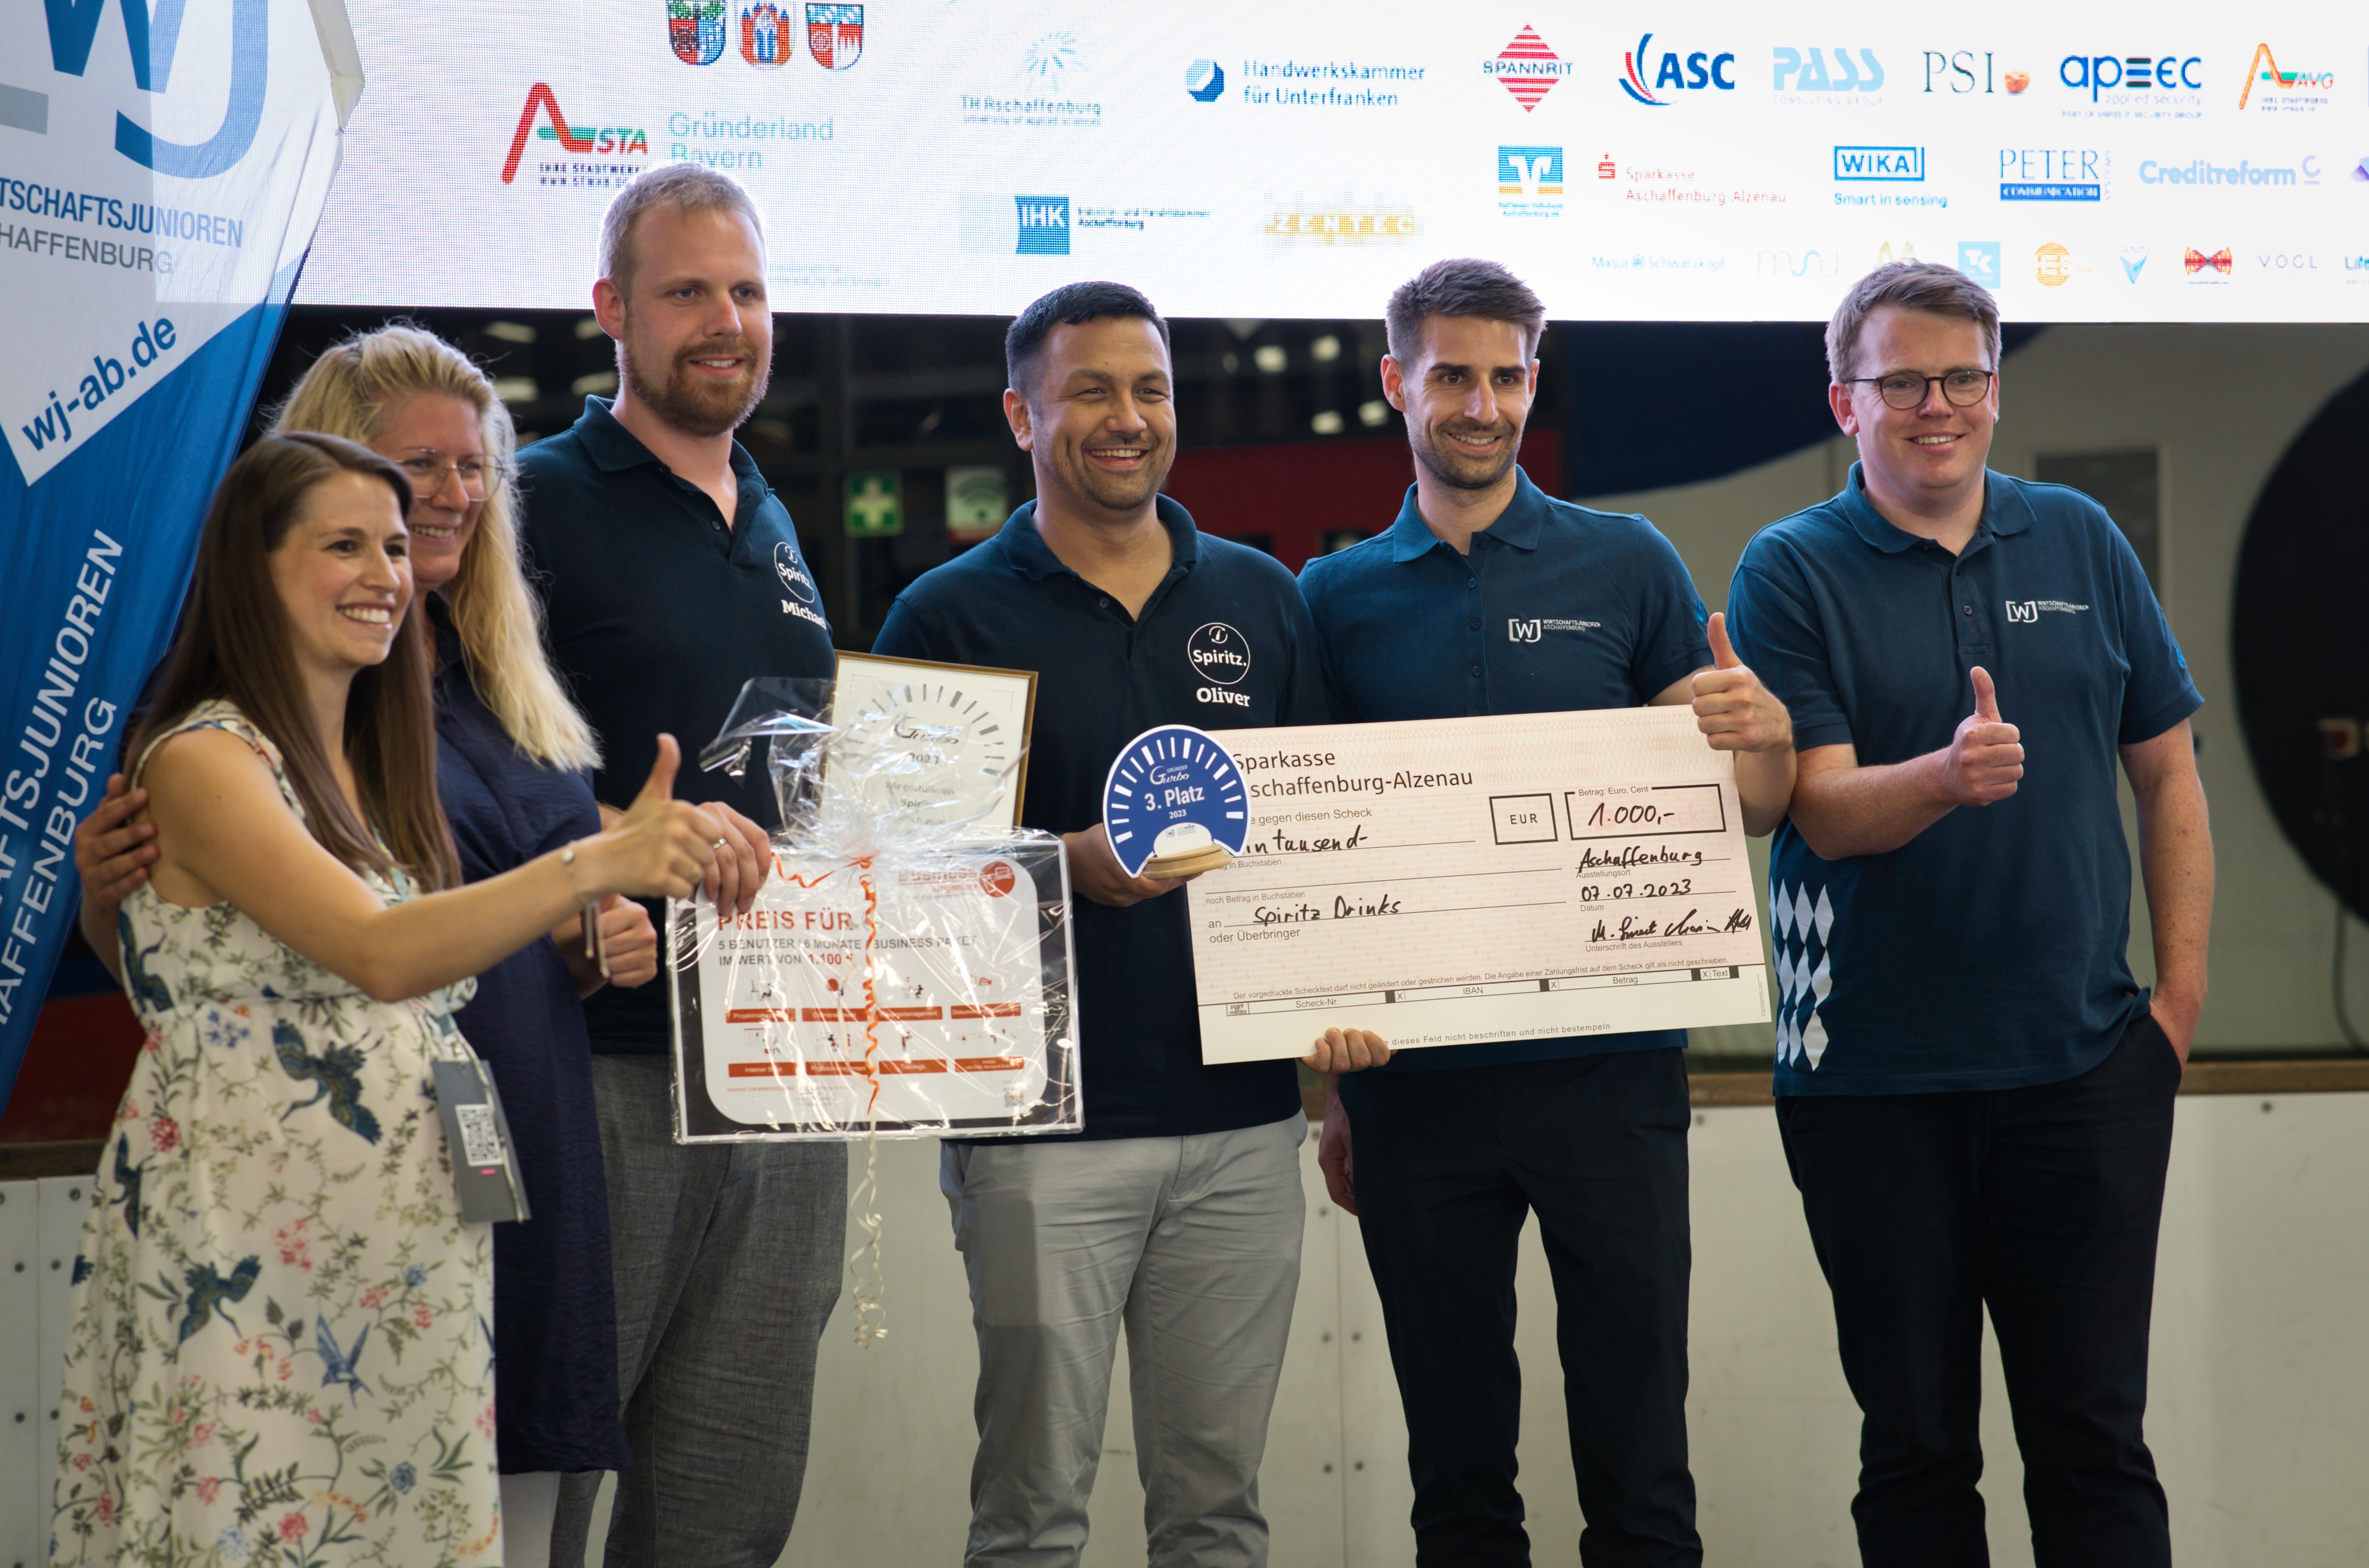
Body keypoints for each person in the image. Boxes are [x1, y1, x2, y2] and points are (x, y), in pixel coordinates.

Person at [49, 433, 721, 1568]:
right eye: (344, 546)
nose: (385, 574)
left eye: (397, 548)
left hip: (402, 1248)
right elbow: (376, 953)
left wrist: (578, 938)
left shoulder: (374, 763)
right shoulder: (204, 755)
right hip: (249, 1238)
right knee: (250, 1522)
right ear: (252, 569)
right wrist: (594, 864)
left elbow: (412, 966)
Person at [871, 280, 1389, 1568]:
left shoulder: (1265, 599)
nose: (1128, 417)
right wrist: (1062, 866)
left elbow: (1324, 836)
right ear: (1021, 414)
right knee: (1032, 1517)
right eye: (1091, 390)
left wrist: (1340, 1083)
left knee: (1217, 1513)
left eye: (1151, 389)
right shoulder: (944, 615)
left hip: (1242, 1131)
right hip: (1037, 1135)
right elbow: (882, 883)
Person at [1297, 258, 1798, 1568]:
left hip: (1611, 1080)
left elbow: (1751, 806)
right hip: (1415, 1091)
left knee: (1642, 1473)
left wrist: (1765, 736)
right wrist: (1333, 1095)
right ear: (1396, 381)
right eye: (1452, 376)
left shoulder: (1627, 562)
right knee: (1458, 1479)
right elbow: (1313, 857)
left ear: (1534, 380)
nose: (1483, 404)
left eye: (1507, 376)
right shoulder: (1330, 599)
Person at [1722, 260, 2212, 1567]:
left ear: (1997, 391)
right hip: (1868, 1082)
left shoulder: (2081, 539)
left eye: (1962, 379)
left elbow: (2168, 773)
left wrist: (2173, 1010)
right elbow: (1821, 810)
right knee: (1918, 1452)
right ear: (1845, 400)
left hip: (2084, 1070)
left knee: (2095, 1447)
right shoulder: (1789, 568)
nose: (1935, 406)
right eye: (1901, 383)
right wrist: (1946, 777)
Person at [518, 164, 845, 1568]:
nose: (728, 321)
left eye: (749, 292)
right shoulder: (533, 499)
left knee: (731, 1508)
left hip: (777, 1072)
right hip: (604, 1071)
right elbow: (458, 764)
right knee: (548, 1489)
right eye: (689, 292)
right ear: (612, 309)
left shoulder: (766, 512)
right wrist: (601, 851)